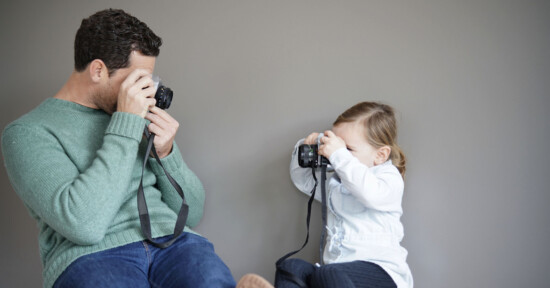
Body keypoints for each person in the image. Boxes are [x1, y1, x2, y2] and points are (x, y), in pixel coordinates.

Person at [1, 9, 235, 288]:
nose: (146, 90)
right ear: (98, 70)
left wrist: (167, 154)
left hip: (171, 242)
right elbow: (83, 224)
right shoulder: (27, 133)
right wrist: (125, 124)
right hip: (90, 256)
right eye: (137, 79)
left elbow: (192, 213)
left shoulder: (135, 114)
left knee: (210, 279)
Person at [237, 102, 413, 288]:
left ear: (380, 155)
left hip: (382, 273)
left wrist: (338, 154)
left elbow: (369, 193)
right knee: (290, 267)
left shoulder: (388, 179)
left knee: (327, 273)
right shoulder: (336, 182)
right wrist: (307, 148)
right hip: (336, 274)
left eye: (348, 149)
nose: (336, 153)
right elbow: (304, 181)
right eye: (336, 144)